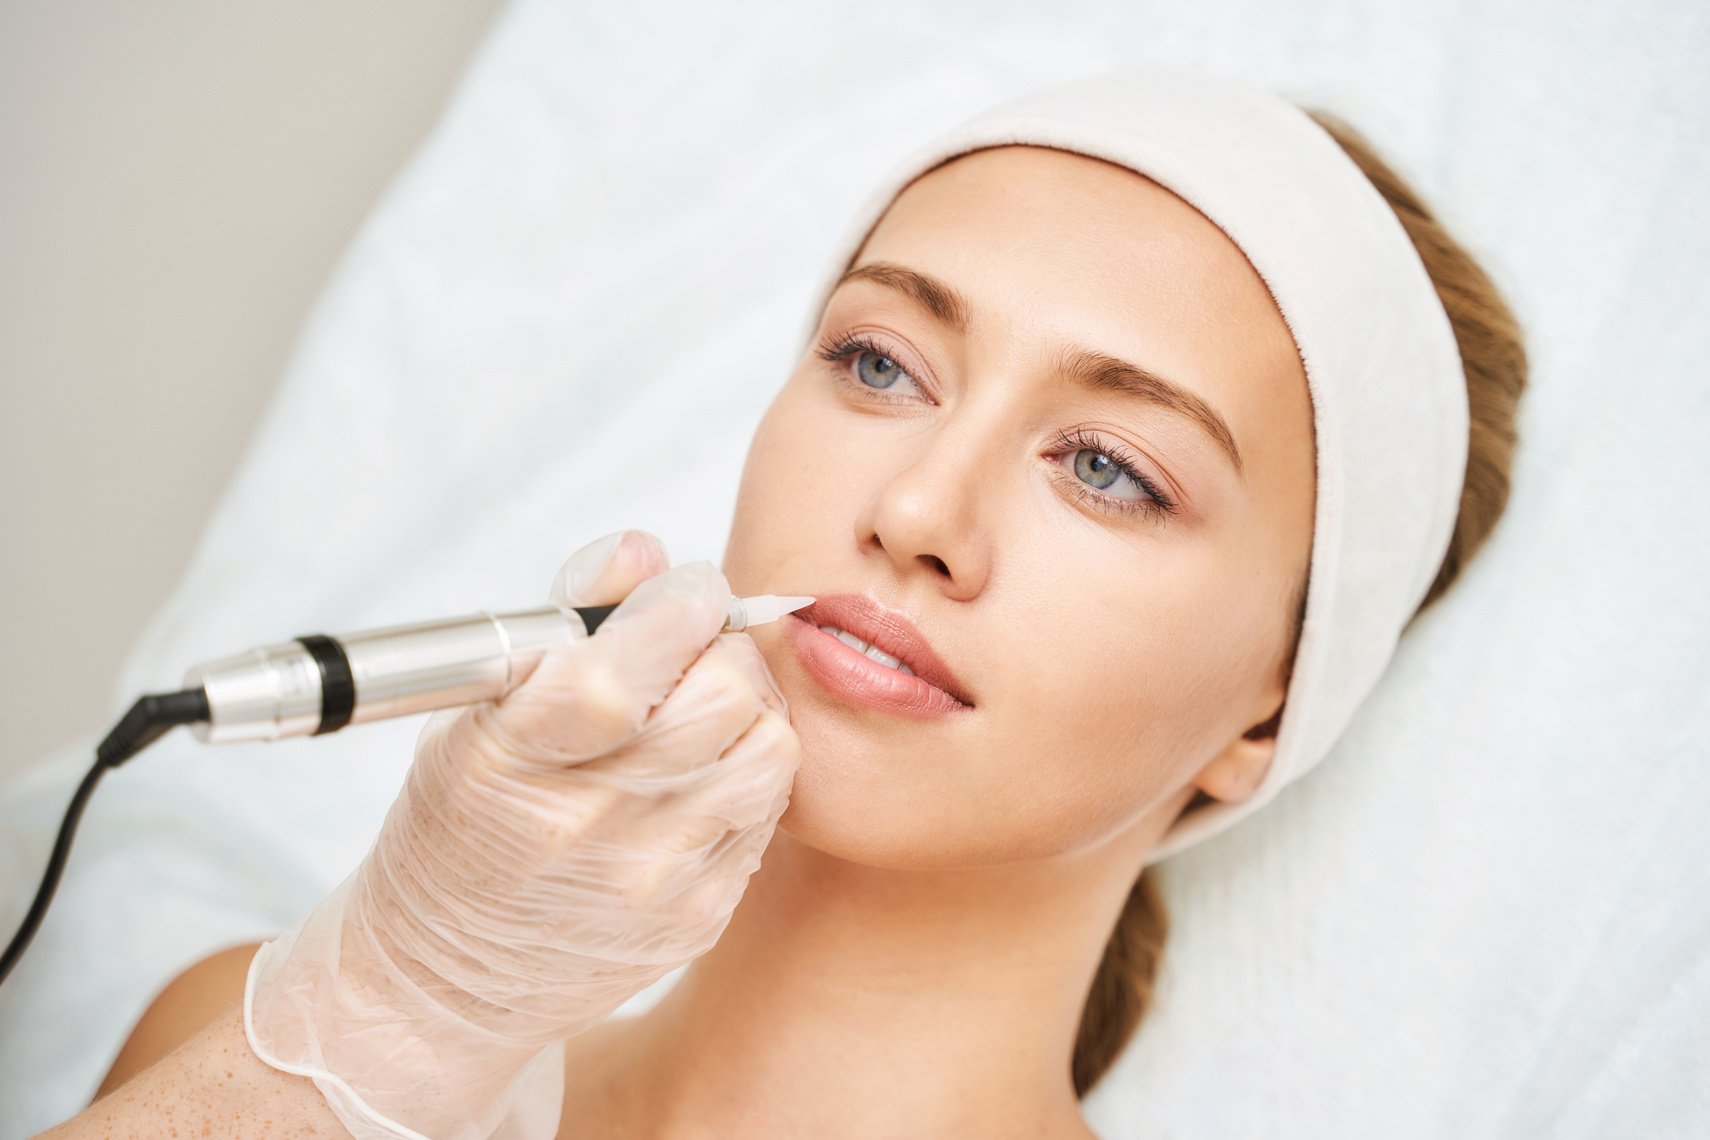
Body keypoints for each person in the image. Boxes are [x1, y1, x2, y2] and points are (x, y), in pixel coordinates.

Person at [41, 66, 1525, 1138]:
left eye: (1109, 469)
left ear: (1270, 705)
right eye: (879, 364)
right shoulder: (278, 1048)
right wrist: (390, 1018)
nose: (916, 512)